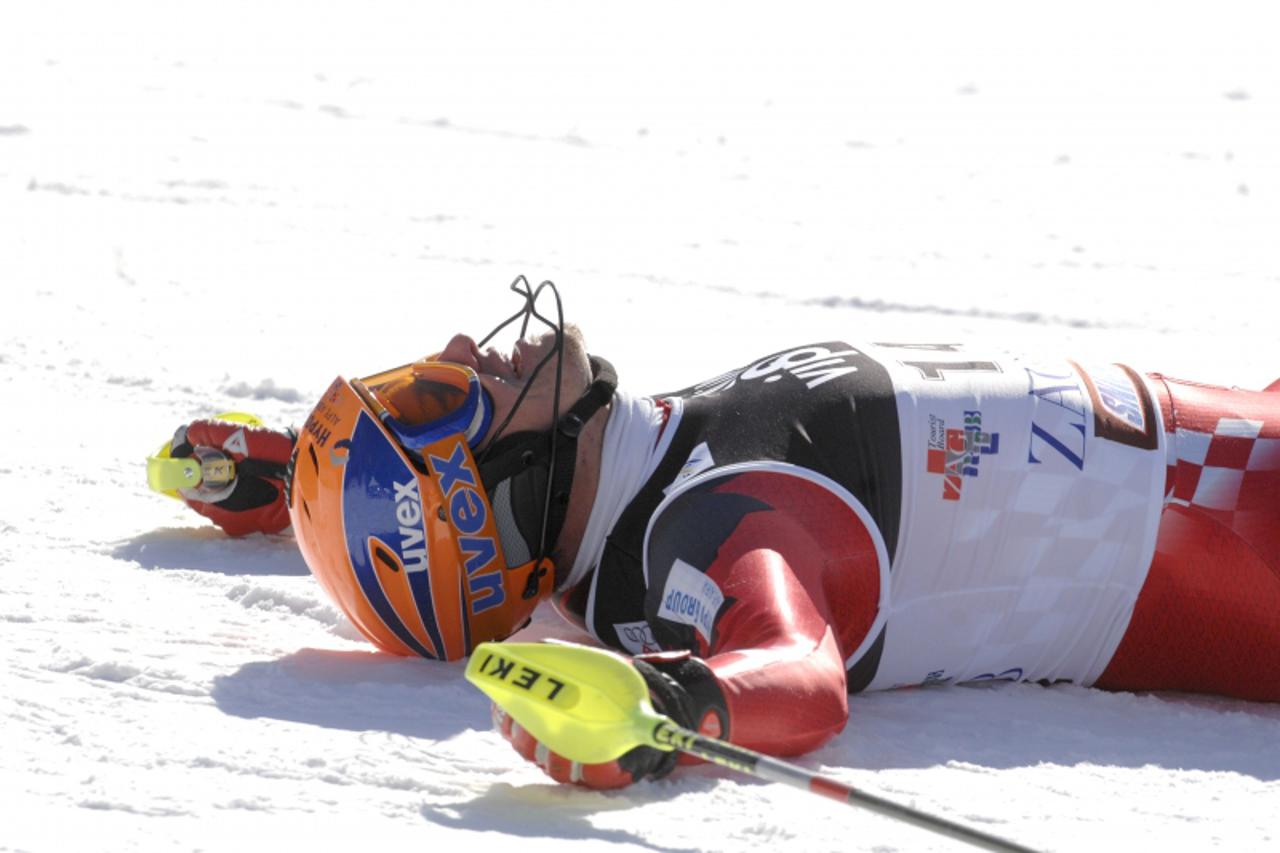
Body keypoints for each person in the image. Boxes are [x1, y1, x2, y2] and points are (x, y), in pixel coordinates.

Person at [163, 276, 1280, 789]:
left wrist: (292, 479)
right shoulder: (701, 537)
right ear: (477, 497)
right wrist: (667, 708)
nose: (465, 345)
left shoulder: (645, 470)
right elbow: (798, 673)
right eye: (435, 402)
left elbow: (419, 552)